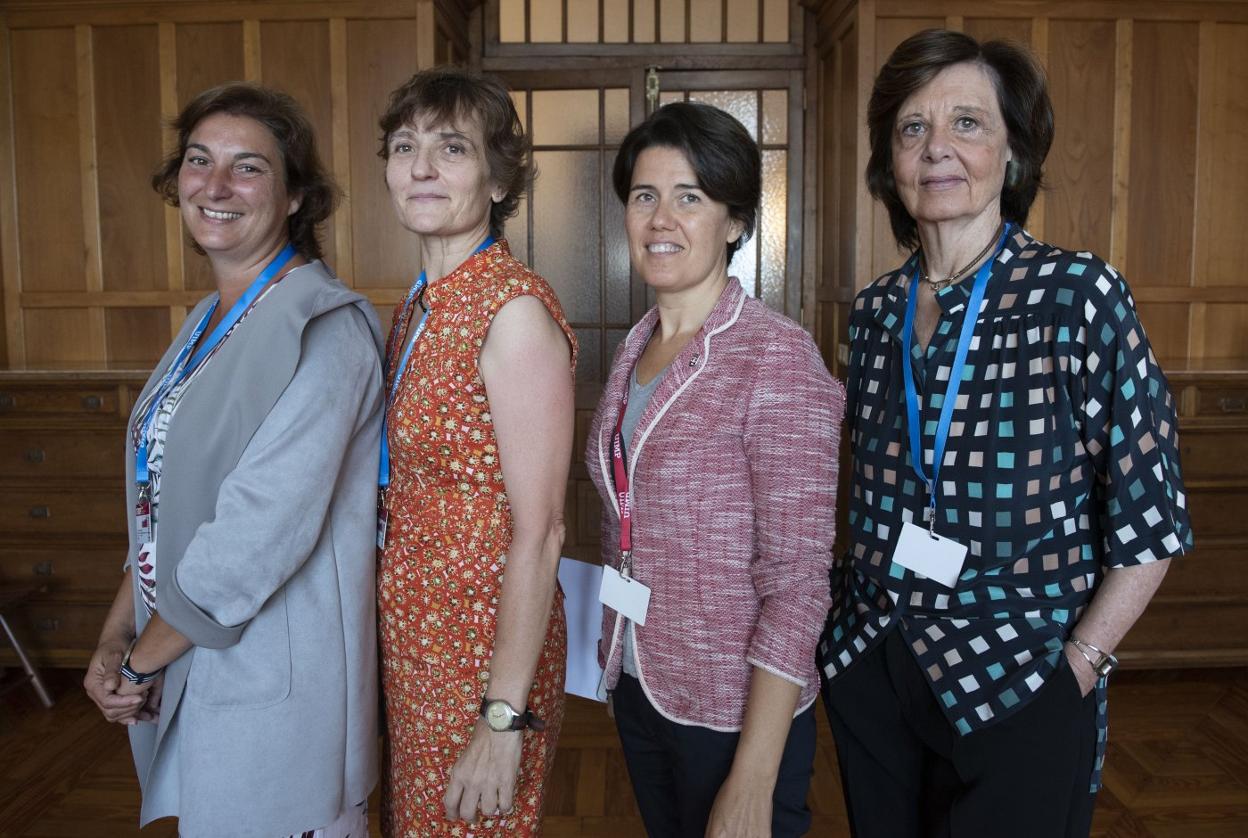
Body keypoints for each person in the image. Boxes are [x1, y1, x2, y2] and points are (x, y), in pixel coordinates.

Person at [818, 29, 1194, 838]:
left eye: (968, 123)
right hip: (876, 659)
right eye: (912, 128)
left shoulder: (1076, 295)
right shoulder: (877, 310)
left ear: (1015, 155)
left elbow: (1152, 516)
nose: (936, 149)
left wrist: (1080, 666)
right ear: (889, 160)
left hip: (1020, 675)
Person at [81, 83, 383, 837]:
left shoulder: (326, 328)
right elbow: (159, 503)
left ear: (293, 198)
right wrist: (115, 636)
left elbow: (252, 538)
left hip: (276, 686)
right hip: (184, 657)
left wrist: (137, 666)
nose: (215, 186)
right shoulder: (207, 319)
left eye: (247, 168)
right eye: (198, 160)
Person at [585, 101, 844, 838]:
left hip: (734, 712)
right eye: (644, 197)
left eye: (689, 198)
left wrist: (754, 779)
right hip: (640, 681)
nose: (661, 219)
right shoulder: (638, 346)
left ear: (734, 221)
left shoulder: (776, 357)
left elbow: (798, 586)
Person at [375, 67, 576, 836]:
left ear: (496, 180)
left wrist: (502, 719)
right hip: (419, 638)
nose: (420, 167)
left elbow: (544, 530)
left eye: (450, 148)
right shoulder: (421, 305)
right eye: (404, 146)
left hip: (484, 656)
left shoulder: (511, 310)